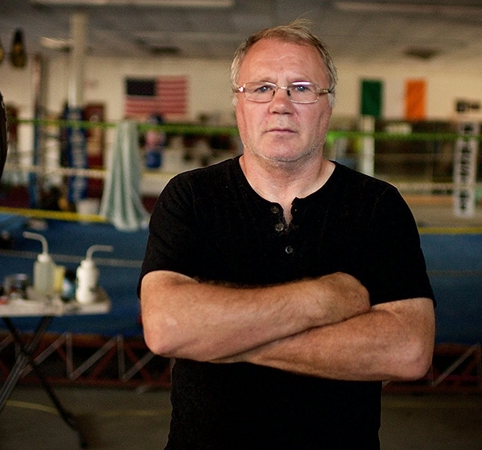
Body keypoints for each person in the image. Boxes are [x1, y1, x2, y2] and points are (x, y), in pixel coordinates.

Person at [138, 19, 436, 449]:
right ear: (238, 105)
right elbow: (167, 326)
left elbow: (407, 351)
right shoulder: (191, 196)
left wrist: (220, 336)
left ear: (327, 105)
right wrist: (323, 299)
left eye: (300, 88)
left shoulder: (377, 206)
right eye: (261, 88)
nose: (280, 104)